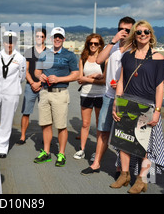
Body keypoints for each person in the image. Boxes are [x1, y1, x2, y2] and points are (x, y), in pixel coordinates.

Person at [110, 20, 164, 194]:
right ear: (134, 34)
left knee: (145, 145)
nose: (143, 35)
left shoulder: (158, 58)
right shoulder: (127, 55)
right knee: (124, 141)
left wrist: (157, 111)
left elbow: (160, 87)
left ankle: (142, 179)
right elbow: (121, 80)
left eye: (146, 32)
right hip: (126, 102)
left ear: (151, 35)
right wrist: (116, 103)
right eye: (139, 32)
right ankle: (125, 175)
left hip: (147, 105)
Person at [81, 16, 135, 175]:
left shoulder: (135, 48)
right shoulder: (114, 46)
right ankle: (96, 163)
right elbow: (99, 60)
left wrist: (121, 83)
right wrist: (113, 41)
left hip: (126, 97)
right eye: (121, 29)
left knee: (123, 134)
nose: (124, 32)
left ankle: (121, 167)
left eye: (127, 30)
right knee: (103, 130)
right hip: (108, 95)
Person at [33, 27, 79, 167]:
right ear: (51, 39)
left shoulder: (70, 55)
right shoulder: (44, 54)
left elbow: (76, 75)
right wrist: (39, 76)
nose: (57, 39)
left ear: (64, 39)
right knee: (46, 124)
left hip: (60, 93)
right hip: (45, 92)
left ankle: (61, 154)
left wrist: (58, 79)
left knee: (61, 125)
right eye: (55, 37)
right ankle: (46, 152)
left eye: (60, 37)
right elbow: (36, 71)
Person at [74, 33, 106, 160]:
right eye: (91, 43)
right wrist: (94, 76)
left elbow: (104, 81)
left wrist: (88, 79)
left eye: (96, 43)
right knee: (85, 124)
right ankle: (82, 149)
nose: (93, 45)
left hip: (100, 95)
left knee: (99, 124)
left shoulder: (104, 59)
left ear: (100, 45)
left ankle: (97, 152)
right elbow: (79, 79)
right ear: (87, 44)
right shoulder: (83, 58)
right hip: (86, 94)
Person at [18, 28, 47, 145]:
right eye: (37, 36)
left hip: (44, 86)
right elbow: (25, 70)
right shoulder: (29, 52)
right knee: (26, 112)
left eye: (41, 36)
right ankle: (23, 136)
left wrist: (39, 84)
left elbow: (49, 71)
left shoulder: (49, 53)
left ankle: (45, 137)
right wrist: (32, 83)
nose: (39, 38)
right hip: (31, 85)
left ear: (45, 38)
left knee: (45, 113)